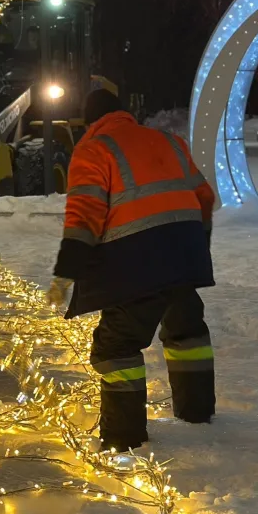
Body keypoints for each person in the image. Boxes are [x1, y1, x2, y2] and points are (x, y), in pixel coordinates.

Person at [47, 89, 216, 452]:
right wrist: (196, 249)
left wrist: (65, 276)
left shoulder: (93, 150)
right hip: (184, 251)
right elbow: (204, 198)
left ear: (89, 122)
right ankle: (198, 415)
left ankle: (123, 439)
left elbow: (84, 220)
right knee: (186, 331)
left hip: (138, 260)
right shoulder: (169, 141)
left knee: (116, 345)